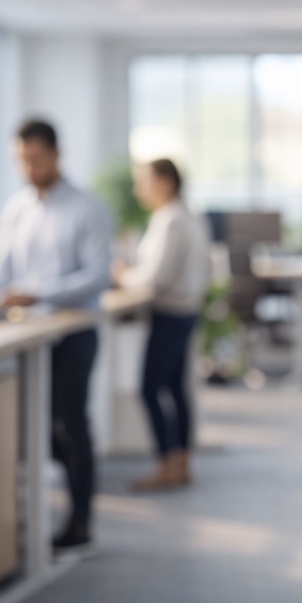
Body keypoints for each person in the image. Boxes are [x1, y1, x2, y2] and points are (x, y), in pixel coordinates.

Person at [0, 118, 113, 549]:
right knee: (29, 426)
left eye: (36, 159)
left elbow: (97, 276)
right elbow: (0, 268)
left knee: (70, 424)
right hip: (29, 334)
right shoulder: (17, 207)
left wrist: (35, 293)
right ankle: (17, 518)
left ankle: (80, 520)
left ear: (56, 155)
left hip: (73, 332)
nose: (28, 168)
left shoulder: (86, 208)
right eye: (21, 160)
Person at [112, 158, 210, 490]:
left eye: (145, 181)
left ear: (166, 182)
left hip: (169, 312)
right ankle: (180, 462)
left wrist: (124, 277)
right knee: (174, 390)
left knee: (150, 388)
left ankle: (167, 462)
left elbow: (156, 276)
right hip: (185, 311)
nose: (140, 189)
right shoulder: (187, 216)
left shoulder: (171, 221)